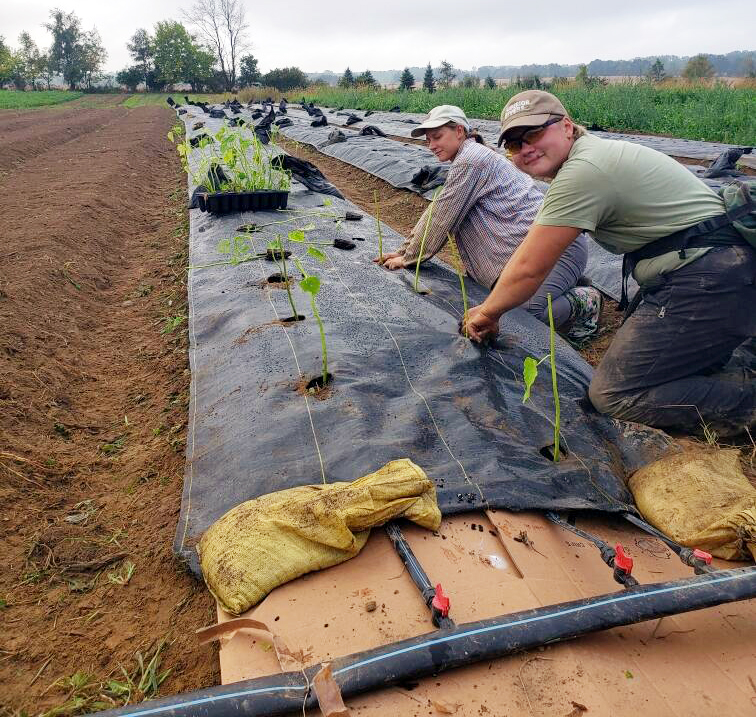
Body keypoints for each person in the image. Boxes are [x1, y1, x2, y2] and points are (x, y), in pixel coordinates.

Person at [463, 90, 756, 434]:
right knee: (663, 370)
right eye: (514, 144)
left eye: (534, 133)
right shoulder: (590, 157)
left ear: (567, 127)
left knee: (614, 395)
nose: (526, 148)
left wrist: (487, 313)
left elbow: (530, 266)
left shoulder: (584, 172)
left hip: (710, 275)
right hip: (719, 268)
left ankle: (746, 403)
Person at [377, 104, 602, 339]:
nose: (431, 145)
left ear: (460, 132)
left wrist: (409, 257)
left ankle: (585, 301)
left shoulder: (472, 160)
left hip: (556, 250)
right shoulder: (468, 159)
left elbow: (442, 217)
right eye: (428, 140)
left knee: (521, 316)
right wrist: (405, 251)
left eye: (437, 137)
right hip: (523, 253)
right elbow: (438, 209)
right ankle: (562, 284)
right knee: (496, 299)